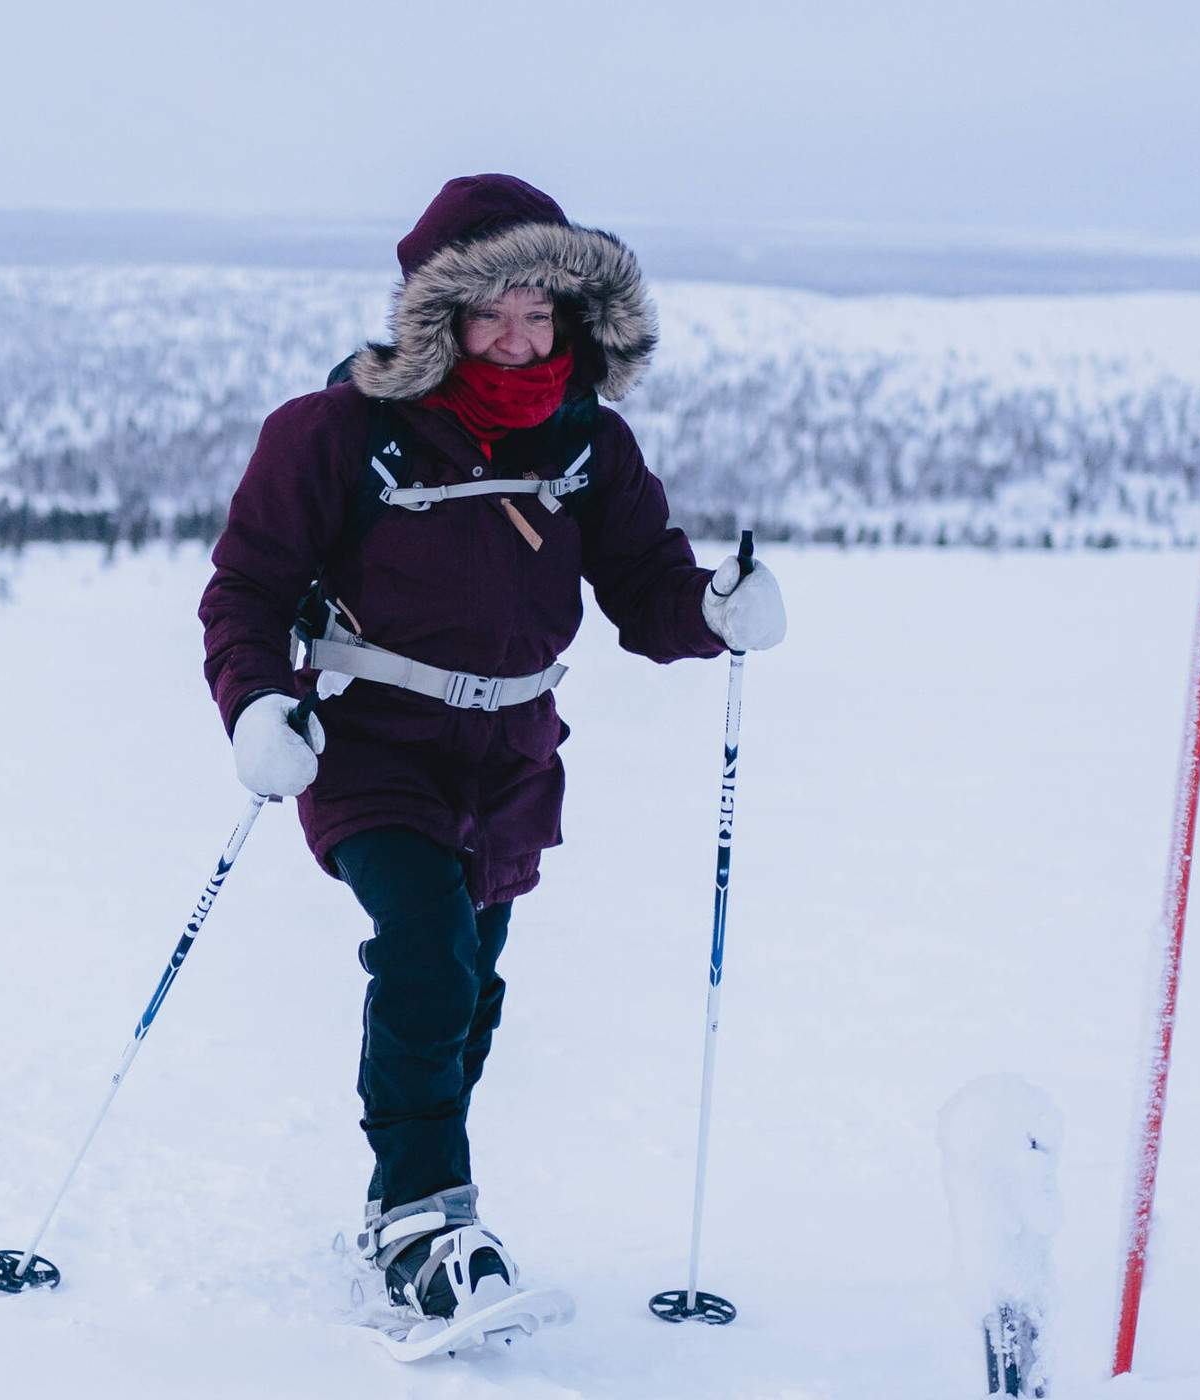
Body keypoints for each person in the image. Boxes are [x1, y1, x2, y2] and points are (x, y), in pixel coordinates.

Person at [198, 175, 788, 1321]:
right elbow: (248, 589)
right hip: (373, 742)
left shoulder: (589, 447)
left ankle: (398, 1209)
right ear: (439, 316)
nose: (520, 341)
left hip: (513, 752)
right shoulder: (336, 434)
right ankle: (434, 1218)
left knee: (472, 987)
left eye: (541, 314)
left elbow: (645, 585)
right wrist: (256, 705)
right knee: (426, 952)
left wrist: (712, 610)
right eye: (492, 314)